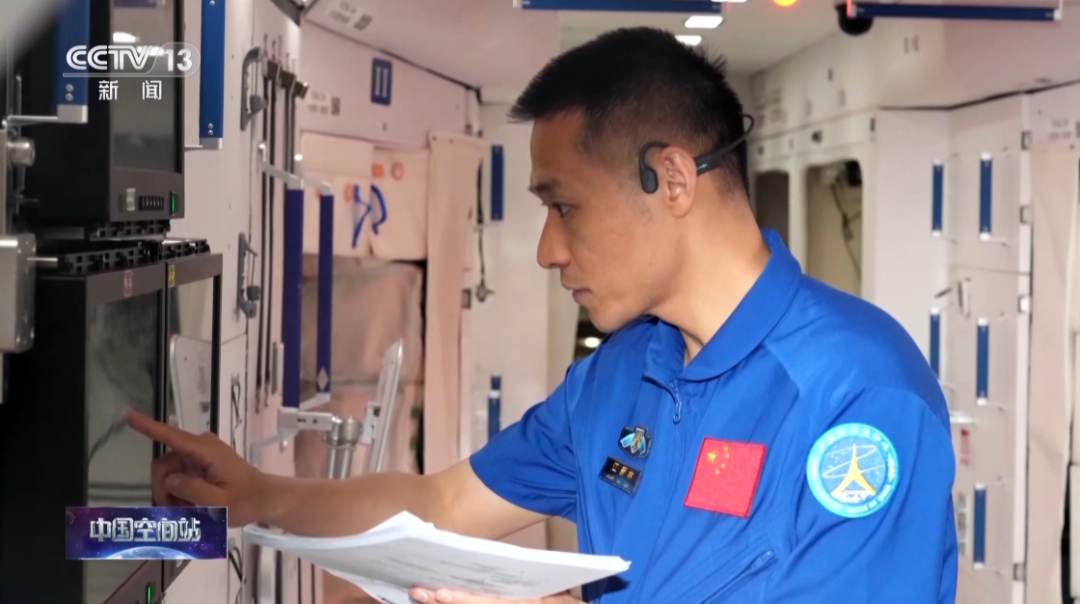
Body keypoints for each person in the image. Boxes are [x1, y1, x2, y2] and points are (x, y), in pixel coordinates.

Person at [127, 27, 957, 604]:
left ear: (671, 179)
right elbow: (443, 503)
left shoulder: (857, 395)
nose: (546, 250)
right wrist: (259, 496)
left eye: (565, 207)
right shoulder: (619, 374)